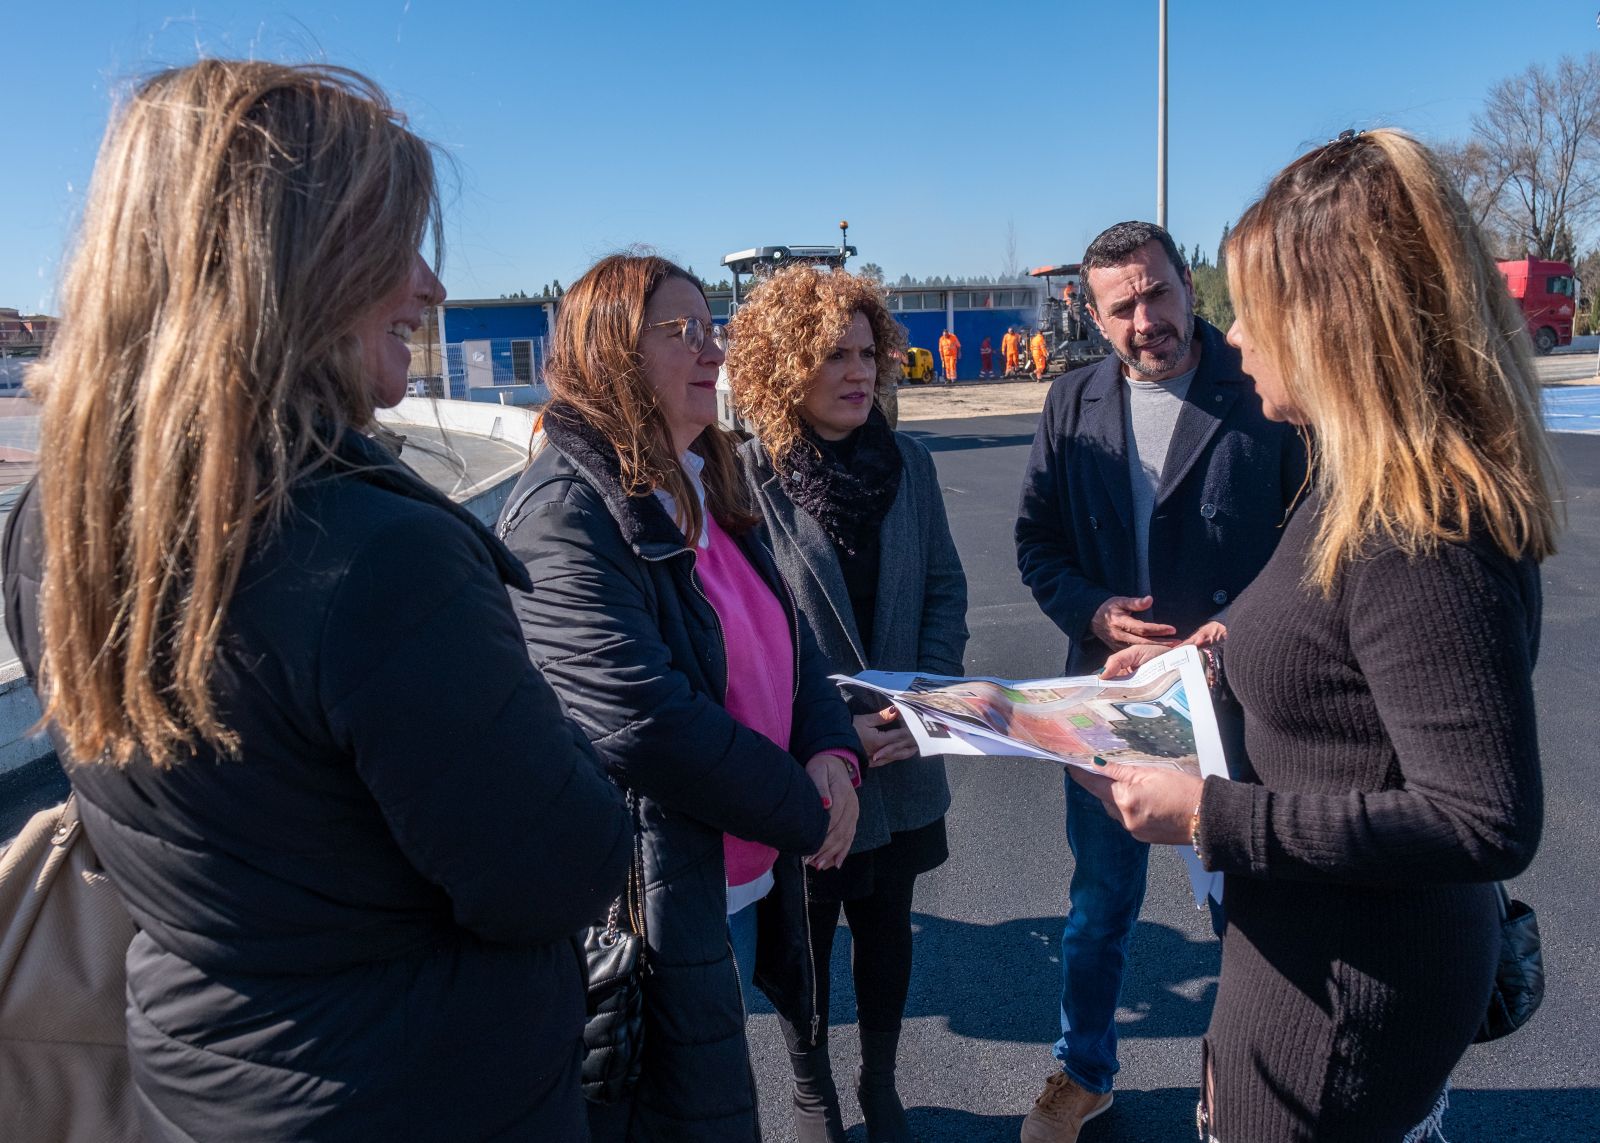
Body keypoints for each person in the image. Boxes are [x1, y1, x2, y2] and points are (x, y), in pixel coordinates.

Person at [0, 60, 632, 1142]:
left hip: (199, 1085)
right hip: (420, 1095)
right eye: (395, 245)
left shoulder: (56, 524)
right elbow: (558, 868)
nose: (429, 288)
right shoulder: (378, 562)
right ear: (291, 263)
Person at [1083, 129, 1556, 1142]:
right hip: (1316, 961)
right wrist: (1202, 658)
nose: (1236, 334)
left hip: (1344, 1006)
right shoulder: (1350, 478)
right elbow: (1329, 641)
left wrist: (1212, 815)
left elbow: (1482, 821)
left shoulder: (1419, 529)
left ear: (1334, 320)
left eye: (1255, 309)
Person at [497, 253, 863, 1142]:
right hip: (655, 892)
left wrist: (830, 747)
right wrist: (803, 805)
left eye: (713, 327)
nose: (712, 349)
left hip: (735, 872)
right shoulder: (565, 510)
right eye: (682, 330)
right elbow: (643, 718)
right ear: (612, 349)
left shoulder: (704, 474)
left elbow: (791, 633)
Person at [1013, 220, 1305, 1143]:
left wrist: (1233, 630)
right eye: (1123, 306)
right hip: (1116, 706)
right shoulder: (1071, 402)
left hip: (1240, 699)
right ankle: (1084, 1070)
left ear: (1189, 285)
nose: (1148, 319)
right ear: (1092, 317)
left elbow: (1313, 542)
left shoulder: (1262, 386)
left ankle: (1246, 1079)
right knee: (1098, 908)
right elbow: (1037, 543)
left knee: (1247, 916)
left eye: (1159, 292)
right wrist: (1095, 612)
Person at [727, 264, 970, 1143]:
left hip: (903, 753)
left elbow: (945, 589)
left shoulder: (911, 462)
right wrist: (831, 731)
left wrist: (923, 704)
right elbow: (739, 634)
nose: (860, 370)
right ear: (785, 366)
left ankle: (880, 1080)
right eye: (835, 353)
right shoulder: (741, 481)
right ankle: (810, 1089)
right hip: (808, 761)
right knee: (802, 940)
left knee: (888, 929)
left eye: (869, 351)